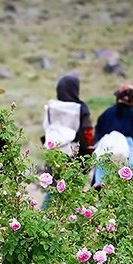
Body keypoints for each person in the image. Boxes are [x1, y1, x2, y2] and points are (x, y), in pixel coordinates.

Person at [41, 74, 94, 207]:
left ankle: (45, 213)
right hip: (75, 152)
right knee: (73, 186)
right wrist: (89, 151)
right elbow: (87, 132)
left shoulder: (51, 107)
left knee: (53, 185)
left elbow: (46, 128)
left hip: (54, 151)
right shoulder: (80, 108)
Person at [91, 83, 133, 186]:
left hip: (106, 155)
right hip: (130, 159)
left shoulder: (105, 115)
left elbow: (97, 138)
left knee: (100, 186)